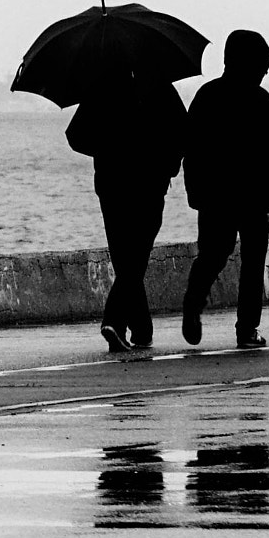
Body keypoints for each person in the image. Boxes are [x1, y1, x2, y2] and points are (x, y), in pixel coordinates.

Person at [68, 70, 186, 352]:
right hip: (149, 184)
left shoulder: (103, 87)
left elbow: (76, 135)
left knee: (125, 258)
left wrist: (108, 149)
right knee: (135, 257)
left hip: (112, 185)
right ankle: (114, 321)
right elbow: (184, 132)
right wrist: (167, 165)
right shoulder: (160, 87)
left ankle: (142, 328)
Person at [180, 30, 269, 350]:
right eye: (263, 67)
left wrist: (194, 191)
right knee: (253, 264)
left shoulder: (207, 95)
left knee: (212, 256)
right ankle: (247, 329)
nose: (264, 74)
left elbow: (190, 150)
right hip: (253, 198)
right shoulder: (262, 101)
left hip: (214, 196)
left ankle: (193, 306)